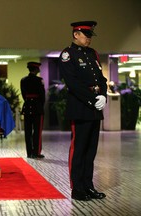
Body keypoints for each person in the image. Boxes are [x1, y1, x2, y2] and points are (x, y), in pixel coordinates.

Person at [58, 21, 107, 201]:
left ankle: (88, 186)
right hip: (80, 107)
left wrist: (103, 95)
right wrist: (92, 99)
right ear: (76, 34)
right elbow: (73, 83)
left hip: (94, 108)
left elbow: (101, 78)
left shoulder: (92, 53)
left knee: (91, 150)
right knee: (78, 150)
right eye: (86, 35)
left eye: (90, 36)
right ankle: (77, 188)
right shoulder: (67, 54)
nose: (89, 39)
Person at [20, 62, 45, 159]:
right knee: (37, 131)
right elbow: (42, 96)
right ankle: (36, 152)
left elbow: (23, 94)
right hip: (37, 107)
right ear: (36, 69)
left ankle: (29, 153)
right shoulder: (39, 80)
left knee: (28, 131)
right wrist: (40, 105)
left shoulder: (23, 80)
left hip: (27, 107)